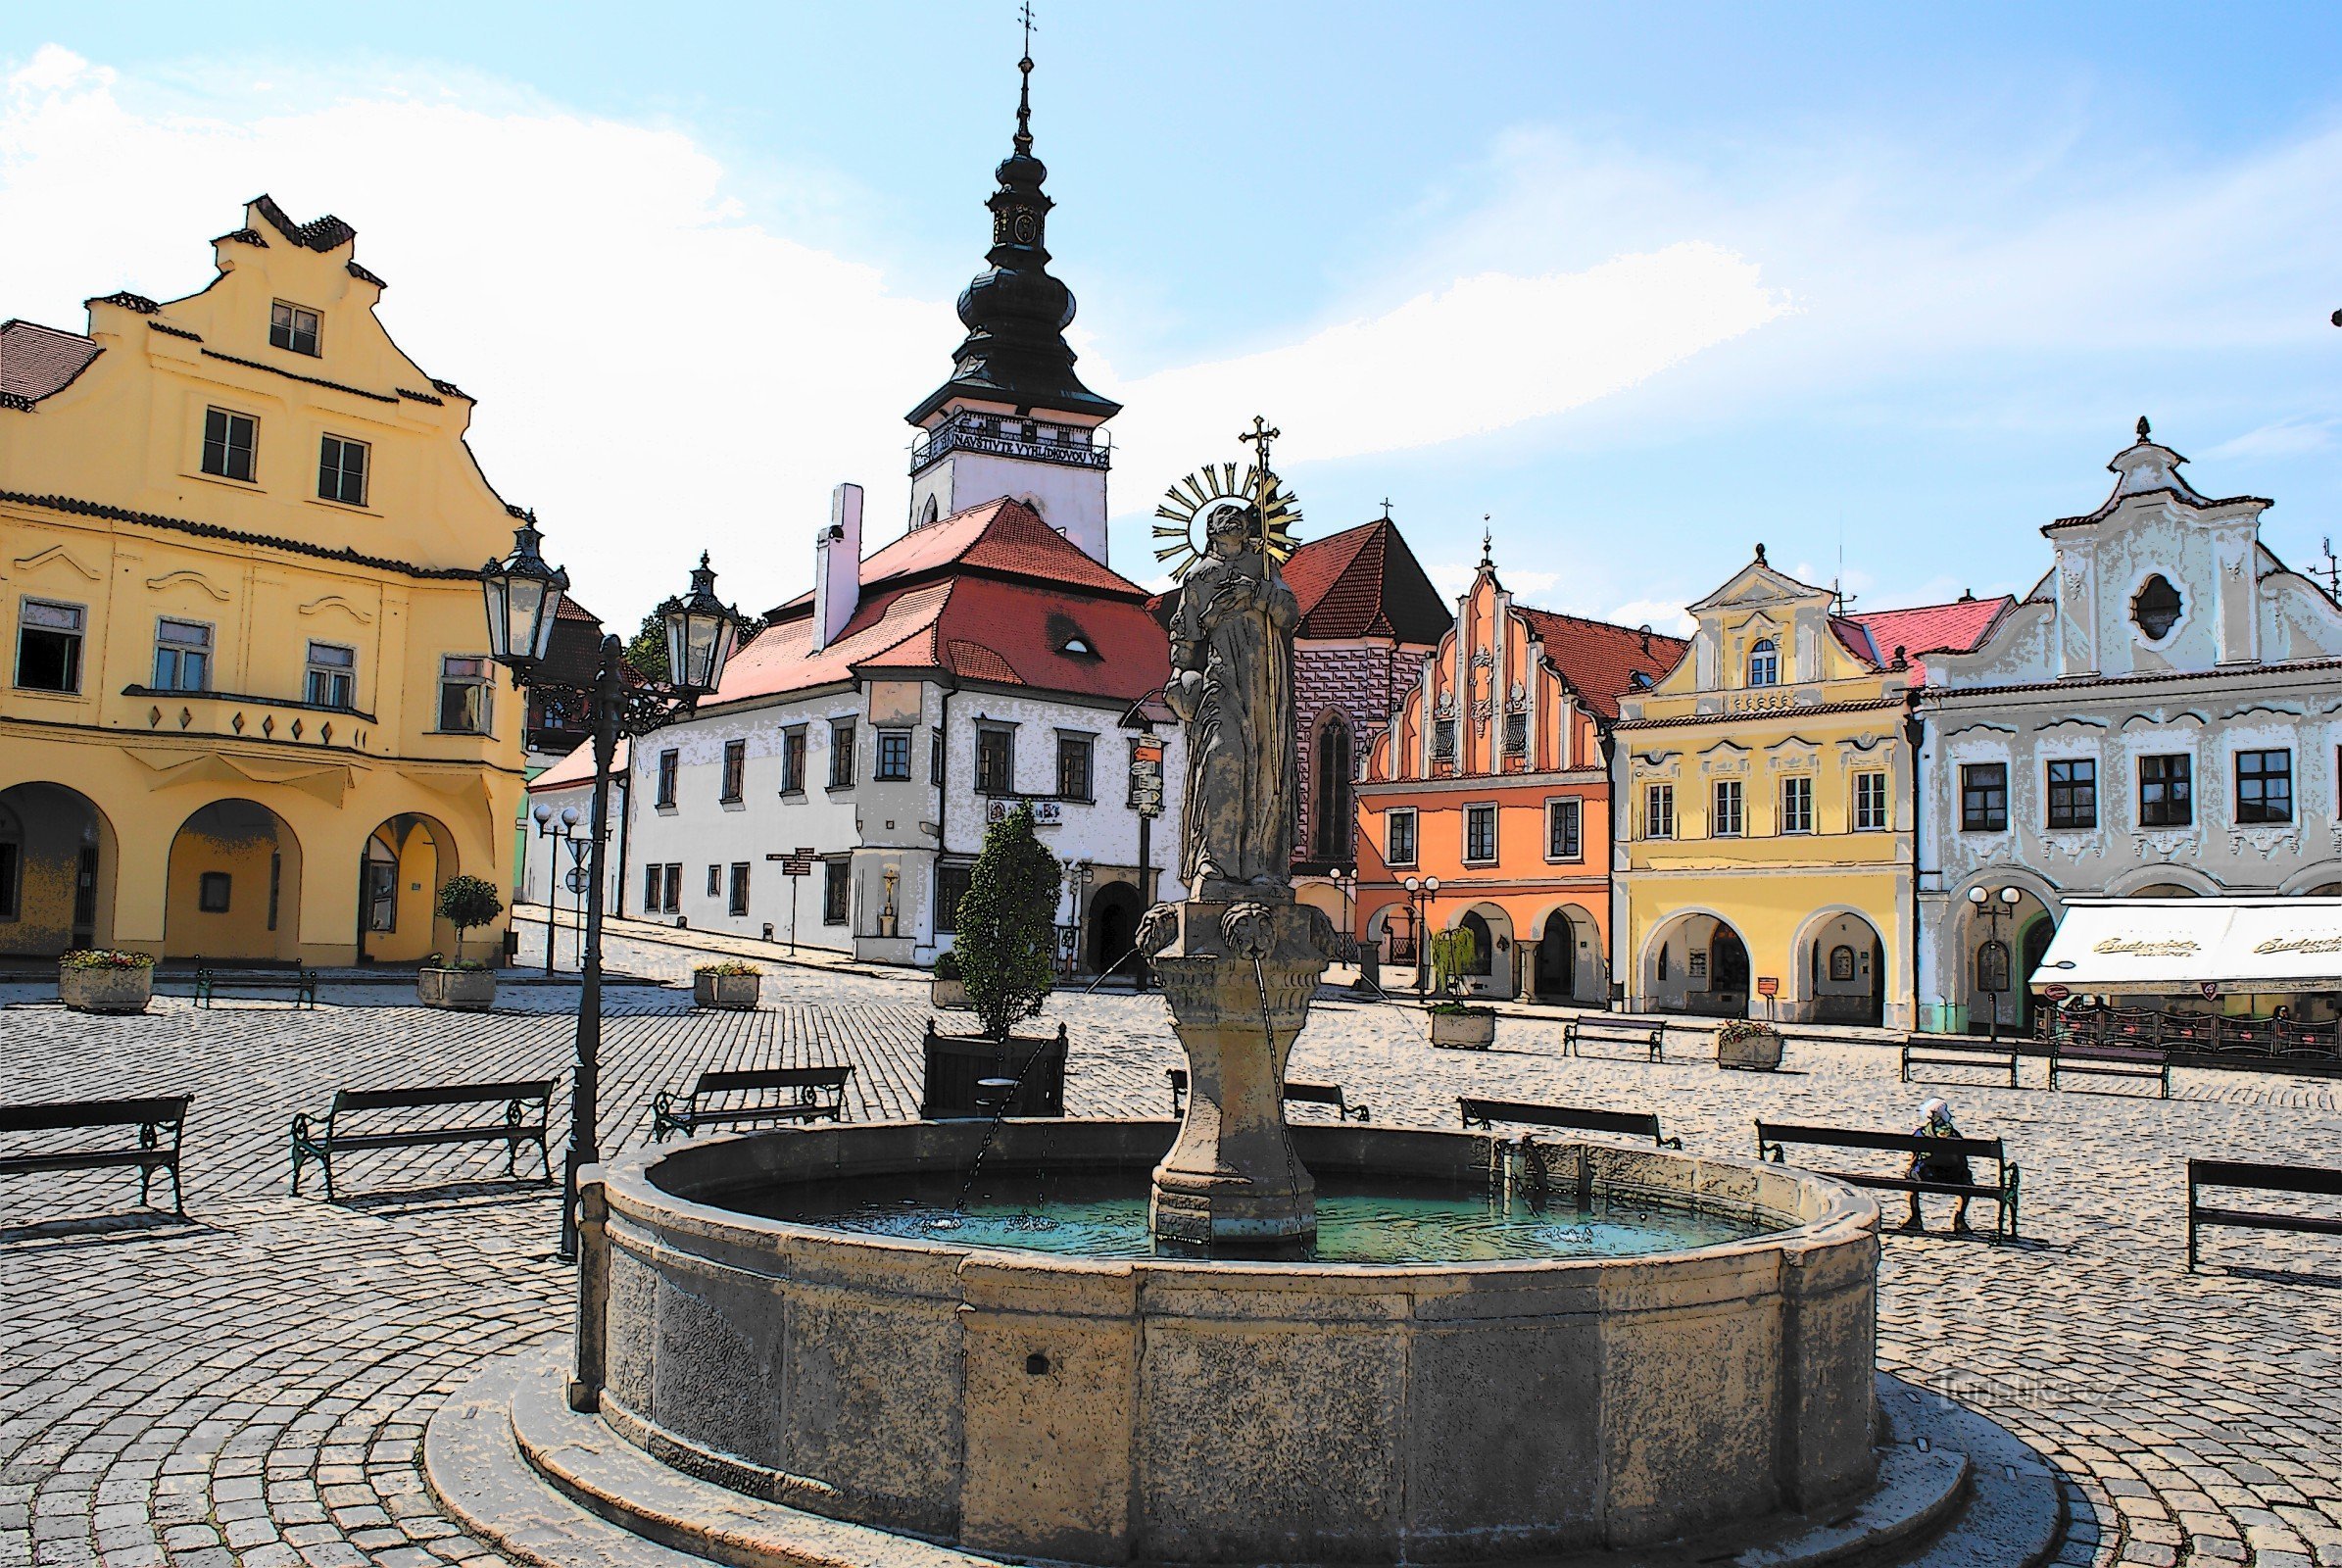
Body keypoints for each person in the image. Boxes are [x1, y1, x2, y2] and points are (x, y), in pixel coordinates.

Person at [1903, 1098, 1972, 1234]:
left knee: (1911, 1174)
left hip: (1926, 1176)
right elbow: (1962, 1160)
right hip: (1953, 1178)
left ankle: (1915, 1218)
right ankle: (1960, 1220)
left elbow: (1914, 1156)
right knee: (1967, 1178)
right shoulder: (1955, 1135)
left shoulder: (1920, 1134)